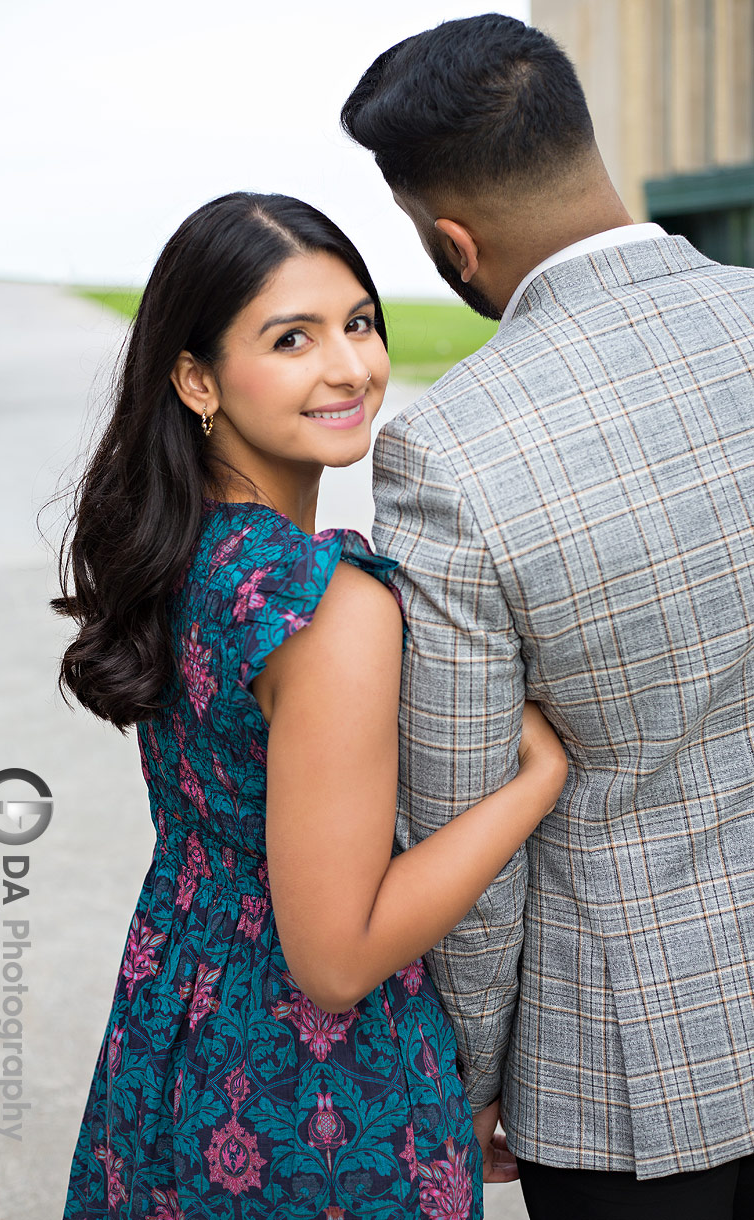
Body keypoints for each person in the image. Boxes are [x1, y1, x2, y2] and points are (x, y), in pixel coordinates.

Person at [53, 191, 567, 1219]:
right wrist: (536, 782)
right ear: (197, 378)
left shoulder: (180, 546)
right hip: (314, 1093)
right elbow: (334, 957)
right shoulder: (325, 602)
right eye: (292, 337)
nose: (349, 366)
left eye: (360, 322)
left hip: (173, 1022)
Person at [340, 13, 754, 1220]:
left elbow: (468, 817)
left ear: (450, 242)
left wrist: (465, 1079)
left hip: (629, 1077)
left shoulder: (449, 452)